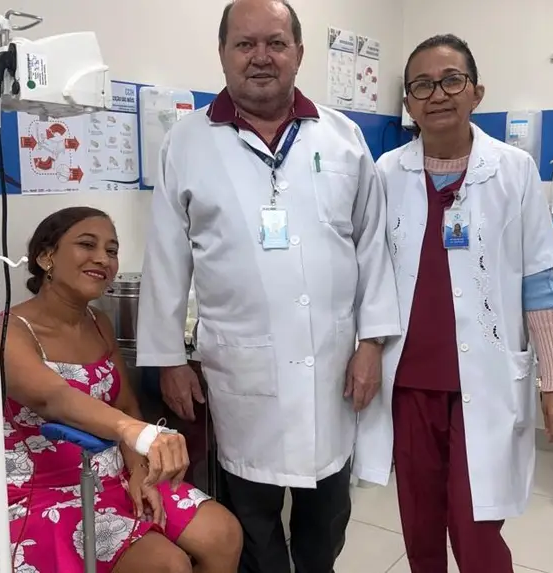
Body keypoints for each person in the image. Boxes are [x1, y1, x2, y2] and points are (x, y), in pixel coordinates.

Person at [136, 0, 401, 571]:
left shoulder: (343, 136)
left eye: (276, 43)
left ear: (298, 53)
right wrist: (169, 358)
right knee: (252, 524)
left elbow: (372, 247)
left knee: (326, 520)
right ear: (223, 53)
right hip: (242, 370)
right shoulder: (186, 142)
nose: (261, 57)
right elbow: (166, 258)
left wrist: (372, 343)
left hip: (332, 368)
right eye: (245, 44)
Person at [353, 35, 553, 573]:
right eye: (422, 85)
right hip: (409, 382)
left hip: (489, 378)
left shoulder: (514, 170)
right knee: (420, 528)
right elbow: (366, 272)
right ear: (408, 104)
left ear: (477, 92)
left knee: (476, 533)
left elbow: (539, 282)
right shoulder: (385, 173)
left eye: (451, 80)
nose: (438, 94)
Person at [0, 206, 242, 573]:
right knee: (167, 566)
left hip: (115, 474)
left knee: (223, 534)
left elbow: (125, 404)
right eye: (87, 244)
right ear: (46, 257)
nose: (103, 258)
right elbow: (55, 398)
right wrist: (137, 433)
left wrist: (138, 469)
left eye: (111, 250)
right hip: (42, 496)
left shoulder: (98, 323)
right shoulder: (4, 336)